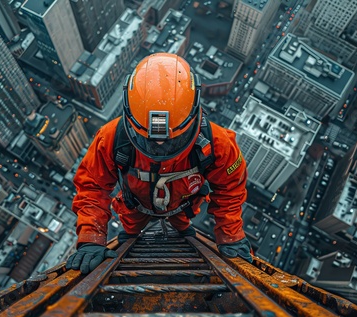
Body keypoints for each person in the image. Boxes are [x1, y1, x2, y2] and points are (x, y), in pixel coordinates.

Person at [66, 53, 252, 274]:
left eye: (172, 141)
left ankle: (181, 231)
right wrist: (91, 238)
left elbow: (230, 190)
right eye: (148, 140)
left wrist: (230, 236)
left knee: (183, 227)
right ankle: (135, 234)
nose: (160, 146)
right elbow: (92, 187)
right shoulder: (112, 138)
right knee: (131, 232)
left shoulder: (217, 145)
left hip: (183, 207)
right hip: (134, 206)